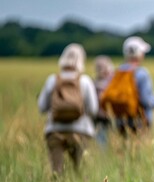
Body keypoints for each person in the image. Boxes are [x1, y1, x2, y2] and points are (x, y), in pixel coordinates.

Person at [37, 43, 98, 174]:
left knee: (56, 172)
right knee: (80, 172)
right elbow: (93, 109)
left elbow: (42, 107)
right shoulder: (85, 81)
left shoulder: (52, 80)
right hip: (81, 131)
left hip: (55, 131)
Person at [114, 36, 154, 135]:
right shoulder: (142, 73)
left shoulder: (118, 72)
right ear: (139, 54)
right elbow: (146, 100)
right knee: (140, 149)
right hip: (140, 122)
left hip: (120, 121)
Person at [93, 55, 114, 147]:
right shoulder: (111, 84)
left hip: (97, 119)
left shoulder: (93, 83)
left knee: (101, 143)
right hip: (110, 118)